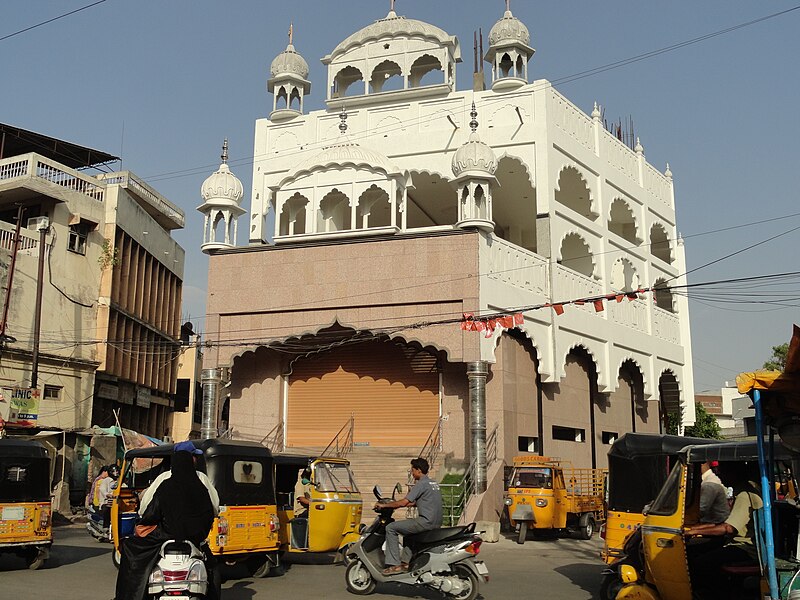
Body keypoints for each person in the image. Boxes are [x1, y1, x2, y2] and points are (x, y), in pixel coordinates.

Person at [114, 441, 219, 600]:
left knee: (130, 549)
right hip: (196, 538)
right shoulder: (201, 482)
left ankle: (128, 596)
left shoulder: (164, 481)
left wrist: (144, 522)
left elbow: (150, 511)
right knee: (213, 568)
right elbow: (213, 510)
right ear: (192, 459)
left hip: (166, 535)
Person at [685, 462, 764, 596]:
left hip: (746, 548)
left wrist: (695, 531)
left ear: (735, 474)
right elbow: (727, 522)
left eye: (724, 471)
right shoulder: (743, 491)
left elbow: (728, 528)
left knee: (699, 562)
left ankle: (712, 594)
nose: (719, 475)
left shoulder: (744, 495)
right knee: (695, 549)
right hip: (737, 542)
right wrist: (698, 528)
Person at [374, 457, 443, 575]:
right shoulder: (433, 483)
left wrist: (385, 505)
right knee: (407, 533)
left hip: (425, 522)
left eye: (413, 470)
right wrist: (397, 505)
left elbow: (404, 502)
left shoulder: (421, 484)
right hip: (436, 522)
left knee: (390, 528)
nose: (412, 472)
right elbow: (421, 502)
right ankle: (405, 563)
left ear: (419, 470)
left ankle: (394, 564)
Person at [98, 465, 120, 530]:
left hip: (117, 502)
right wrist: (108, 494)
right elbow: (102, 489)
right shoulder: (106, 480)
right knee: (107, 509)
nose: (116, 473)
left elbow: (124, 487)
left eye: (117, 471)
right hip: (106, 502)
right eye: (114, 471)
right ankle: (106, 527)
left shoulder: (120, 481)